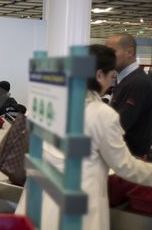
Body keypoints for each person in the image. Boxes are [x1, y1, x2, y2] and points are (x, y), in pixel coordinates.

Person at [15, 44, 152, 230]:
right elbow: (124, 166)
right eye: (111, 77)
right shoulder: (102, 115)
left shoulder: (49, 101)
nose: (111, 84)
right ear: (98, 75)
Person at [106, 33, 152, 159]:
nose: (107, 57)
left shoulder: (137, 83)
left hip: (131, 160)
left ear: (129, 52)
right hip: (121, 157)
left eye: (111, 52)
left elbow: (120, 125)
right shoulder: (126, 81)